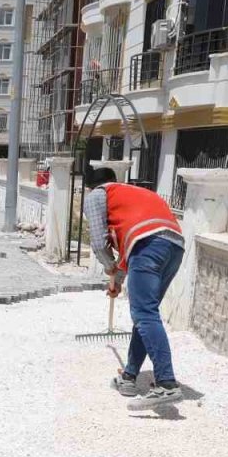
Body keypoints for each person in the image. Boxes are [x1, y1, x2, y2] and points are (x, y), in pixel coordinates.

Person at [83, 166, 185, 409]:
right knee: (145, 314)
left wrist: (109, 267)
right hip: (174, 246)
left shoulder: (98, 194)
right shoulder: (135, 193)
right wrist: (117, 280)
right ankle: (129, 377)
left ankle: (167, 384)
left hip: (147, 244)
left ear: (93, 186)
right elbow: (134, 243)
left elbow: (98, 242)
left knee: (144, 314)